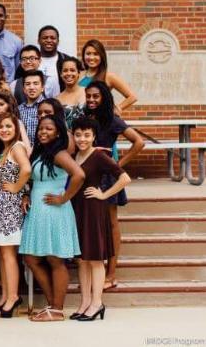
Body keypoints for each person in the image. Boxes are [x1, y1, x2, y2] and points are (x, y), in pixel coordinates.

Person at [19, 115, 85, 322]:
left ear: (58, 133)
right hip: (38, 211)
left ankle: (56, 309)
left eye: (48, 129)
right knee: (31, 258)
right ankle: (52, 304)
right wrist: (27, 195)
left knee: (55, 259)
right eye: (41, 129)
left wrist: (64, 197)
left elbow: (79, 175)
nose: (43, 132)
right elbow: (35, 179)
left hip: (54, 211)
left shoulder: (59, 153)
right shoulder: (41, 153)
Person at [84, 80, 144, 290]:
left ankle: (111, 272)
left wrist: (119, 164)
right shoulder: (84, 117)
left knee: (110, 223)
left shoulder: (112, 119)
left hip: (106, 175)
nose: (91, 100)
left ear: (104, 98)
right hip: (86, 174)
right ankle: (93, 270)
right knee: (90, 223)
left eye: (96, 96)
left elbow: (139, 142)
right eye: (89, 96)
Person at [71, 116, 131, 322]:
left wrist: (104, 195)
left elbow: (124, 178)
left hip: (94, 211)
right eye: (78, 135)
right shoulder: (73, 155)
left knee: (95, 260)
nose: (82, 139)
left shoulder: (99, 156)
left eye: (87, 135)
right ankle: (85, 302)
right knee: (82, 260)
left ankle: (97, 303)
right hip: (77, 210)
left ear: (94, 136)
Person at [0, 113, 31, 318]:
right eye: (1, 127)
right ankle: (5, 295)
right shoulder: (4, 150)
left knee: (8, 254)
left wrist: (17, 188)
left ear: (16, 128)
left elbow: (27, 169)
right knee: (2, 254)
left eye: (8, 126)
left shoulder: (17, 147)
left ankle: (13, 296)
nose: (4, 130)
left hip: (9, 209)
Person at [79, 39, 137, 113]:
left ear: (102, 56)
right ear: (84, 56)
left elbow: (132, 97)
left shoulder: (109, 76)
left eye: (95, 54)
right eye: (88, 53)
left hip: (100, 120)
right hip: (82, 119)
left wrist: (117, 108)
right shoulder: (79, 75)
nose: (91, 57)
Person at [38, 25, 72, 93]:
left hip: (61, 102)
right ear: (38, 41)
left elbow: (81, 77)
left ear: (58, 41)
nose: (49, 40)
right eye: (45, 38)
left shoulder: (67, 60)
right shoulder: (29, 61)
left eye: (52, 38)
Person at [17, 70, 47, 147]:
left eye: (36, 83)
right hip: (23, 153)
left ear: (42, 87)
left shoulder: (49, 107)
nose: (31, 87)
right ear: (23, 89)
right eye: (28, 84)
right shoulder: (18, 110)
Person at [56, 57, 86, 128]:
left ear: (78, 73)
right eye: (65, 71)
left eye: (72, 70)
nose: (69, 73)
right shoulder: (57, 100)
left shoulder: (88, 92)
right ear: (61, 74)